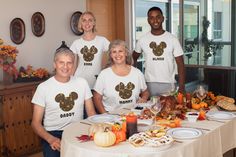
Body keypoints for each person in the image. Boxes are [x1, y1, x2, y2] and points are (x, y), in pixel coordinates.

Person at [31, 46, 96, 157]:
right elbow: (35, 123)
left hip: (78, 130)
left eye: (69, 63)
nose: (65, 67)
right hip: (53, 133)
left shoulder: (82, 83)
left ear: (73, 65)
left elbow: (91, 112)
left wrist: (99, 128)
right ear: (54, 64)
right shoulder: (43, 88)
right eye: (61, 62)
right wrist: (51, 139)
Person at [132, 6, 185, 96]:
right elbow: (133, 59)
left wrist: (182, 86)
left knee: (169, 110)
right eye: (151, 18)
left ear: (163, 18)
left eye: (158, 17)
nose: (155, 20)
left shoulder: (172, 39)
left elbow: (181, 64)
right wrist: (136, 80)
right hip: (148, 84)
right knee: (149, 110)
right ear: (148, 20)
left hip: (168, 84)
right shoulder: (142, 40)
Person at [93, 39, 149, 113]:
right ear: (110, 55)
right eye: (114, 52)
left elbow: (145, 92)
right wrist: (105, 115)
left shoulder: (137, 73)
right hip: (111, 117)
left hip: (133, 114)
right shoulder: (104, 74)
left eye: (120, 51)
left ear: (126, 53)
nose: (117, 55)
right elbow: (96, 98)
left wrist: (144, 98)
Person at [70, 11, 110, 89]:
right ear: (81, 24)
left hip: (97, 81)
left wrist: (106, 69)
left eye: (90, 20)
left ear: (94, 23)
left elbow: (114, 54)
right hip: (79, 80)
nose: (87, 23)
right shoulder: (76, 43)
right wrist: (70, 81)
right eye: (84, 20)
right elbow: (73, 65)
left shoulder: (102, 40)